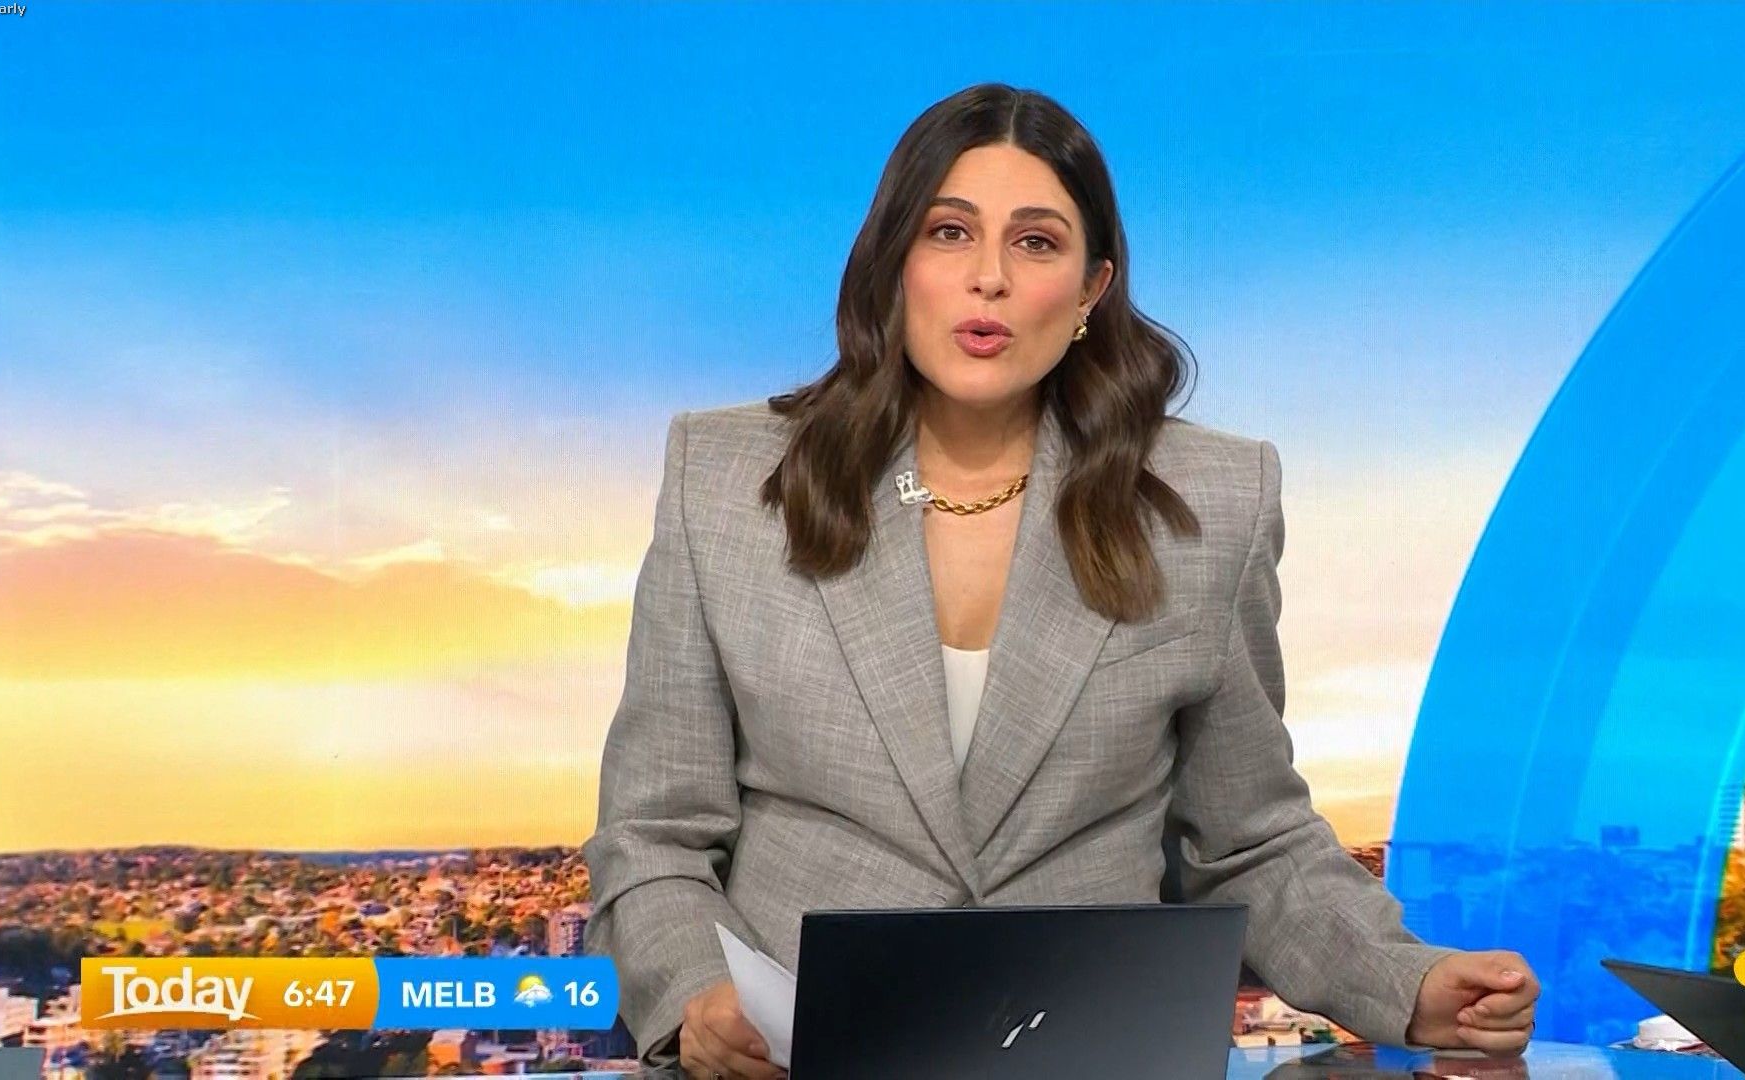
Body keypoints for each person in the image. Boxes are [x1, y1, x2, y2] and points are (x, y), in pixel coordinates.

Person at [582, 83, 1539, 1080]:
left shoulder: (1213, 498)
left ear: (1091, 290)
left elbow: (1247, 843)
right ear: (893, 261)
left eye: (1036, 243)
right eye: (950, 232)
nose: (988, 278)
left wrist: (1408, 982)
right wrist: (698, 996)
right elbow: (653, 835)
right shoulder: (724, 478)